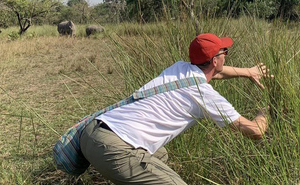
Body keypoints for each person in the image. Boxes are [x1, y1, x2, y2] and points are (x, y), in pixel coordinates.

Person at [80, 33, 273, 185]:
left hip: (91, 132)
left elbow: (214, 75)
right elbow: (255, 131)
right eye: (225, 52)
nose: (226, 57)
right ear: (216, 60)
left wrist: (249, 72)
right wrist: (264, 111)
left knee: (161, 154)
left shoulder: (179, 68)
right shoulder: (204, 95)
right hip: (114, 149)